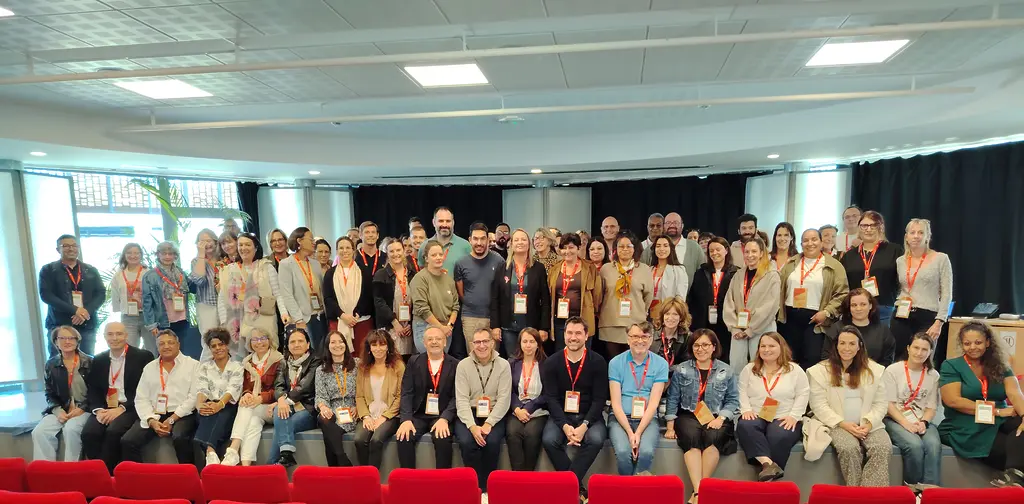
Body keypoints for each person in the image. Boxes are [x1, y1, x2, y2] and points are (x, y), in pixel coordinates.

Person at [938, 322, 1024, 487]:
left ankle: (1013, 478)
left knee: (1021, 425)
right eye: (967, 343)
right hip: (966, 423)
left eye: (978, 342)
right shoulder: (951, 366)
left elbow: (1015, 393)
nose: (972, 347)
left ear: (988, 343)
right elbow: (953, 400)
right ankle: (1014, 480)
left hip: (998, 420)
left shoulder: (1001, 364)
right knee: (1014, 448)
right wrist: (997, 411)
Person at [807, 325, 890, 487]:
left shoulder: (875, 370)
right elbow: (818, 406)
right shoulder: (819, 371)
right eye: (842, 343)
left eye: (852, 344)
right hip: (837, 424)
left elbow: (881, 403)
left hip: (868, 424)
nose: (846, 348)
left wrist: (868, 423)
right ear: (836, 345)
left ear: (860, 346)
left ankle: (870, 496)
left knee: (882, 447)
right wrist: (843, 424)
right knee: (848, 448)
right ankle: (855, 494)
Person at [665, 329, 739, 503]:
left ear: (714, 347)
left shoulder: (726, 370)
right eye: (696, 345)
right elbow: (673, 398)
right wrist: (670, 425)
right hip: (688, 415)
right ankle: (700, 492)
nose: (700, 349)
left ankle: (698, 493)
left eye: (705, 345)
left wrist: (721, 418)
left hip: (717, 416)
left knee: (713, 439)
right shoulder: (682, 369)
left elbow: (733, 400)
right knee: (692, 440)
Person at [541, 317, 608, 502]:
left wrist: (584, 426)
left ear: (586, 336)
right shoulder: (552, 362)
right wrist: (564, 426)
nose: (573, 337)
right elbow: (551, 399)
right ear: (564, 335)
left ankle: (566, 486)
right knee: (549, 439)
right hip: (562, 416)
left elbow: (599, 399)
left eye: (578, 333)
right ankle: (577, 488)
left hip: (589, 416)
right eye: (570, 333)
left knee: (595, 439)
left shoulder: (598, 362)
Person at [82, 322, 154, 473]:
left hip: (131, 406)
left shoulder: (143, 356)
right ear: (104, 337)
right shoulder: (99, 359)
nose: (115, 338)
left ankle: (110, 475)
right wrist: (98, 410)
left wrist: (121, 408)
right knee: (89, 433)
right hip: (106, 407)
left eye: (119, 334)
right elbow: (93, 389)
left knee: (113, 431)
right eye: (110, 334)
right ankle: (98, 472)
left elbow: (146, 389)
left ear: (126, 336)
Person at [736, 332, 808, 482]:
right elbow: (741, 390)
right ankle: (768, 465)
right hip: (756, 413)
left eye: (771, 346)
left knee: (778, 435)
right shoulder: (749, 369)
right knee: (745, 426)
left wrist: (794, 416)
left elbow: (803, 393)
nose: (766, 349)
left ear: (781, 348)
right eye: (763, 346)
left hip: (785, 415)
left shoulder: (795, 370)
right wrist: (746, 410)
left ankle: (768, 479)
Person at [122, 329, 199, 465]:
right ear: (157, 347)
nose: (166, 346)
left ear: (178, 344)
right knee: (128, 441)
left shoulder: (193, 365)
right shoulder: (149, 368)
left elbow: (193, 397)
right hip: (155, 414)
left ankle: (189, 477)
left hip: (182, 414)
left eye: (170, 342)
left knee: (180, 437)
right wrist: (151, 420)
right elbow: (141, 398)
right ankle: (138, 479)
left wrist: (171, 419)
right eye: (162, 344)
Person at [777, 229, 849, 370]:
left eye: (814, 239)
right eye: (805, 240)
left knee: (812, 360)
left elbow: (842, 294)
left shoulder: (834, 266)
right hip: (789, 319)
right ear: (800, 243)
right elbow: (779, 289)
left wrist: (827, 312)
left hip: (816, 320)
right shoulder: (791, 263)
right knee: (788, 360)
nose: (810, 243)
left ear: (821, 242)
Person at [455, 328, 512, 496]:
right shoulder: (463, 365)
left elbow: (504, 399)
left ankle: (487, 489)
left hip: (494, 414)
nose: (481, 346)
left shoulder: (503, 365)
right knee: (467, 442)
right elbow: (462, 400)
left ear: (492, 343)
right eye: (477, 342)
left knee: (492, 442)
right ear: (472, 344)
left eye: (485, 341)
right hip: (469, 414)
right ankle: (474, 487)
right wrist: (472, 427)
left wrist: (488, 423)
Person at [608, 322, 670, 476]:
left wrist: (639, 432)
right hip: (620, 418)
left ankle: (637, 493)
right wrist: (630, 433)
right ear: (628, 339)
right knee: (623, 453)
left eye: (644, 336)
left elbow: (654, 403)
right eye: (635, 336)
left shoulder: (661, 364)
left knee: (646, 452)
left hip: (648, 419)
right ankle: (627, 493)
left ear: (651, 340)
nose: (640, 341)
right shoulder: (615, 362)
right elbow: (615, 403)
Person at [882, 333, 942, 489]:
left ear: (930, 352)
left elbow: (931, 407)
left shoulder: (933, 375)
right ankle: (913, 492)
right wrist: (906, 424)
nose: (919, 353)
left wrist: (924, 422)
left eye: (924, 349)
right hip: (895, 419)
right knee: (914, 446)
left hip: (921, 420)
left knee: (933, 445)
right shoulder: (893, 370)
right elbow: (889, 404)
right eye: (916, 347)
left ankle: (930, 493)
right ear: (908, 348)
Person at [396, 327, 459, 469]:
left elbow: (457, 397)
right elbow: (407, 392)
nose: (434, 342)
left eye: (438, 339)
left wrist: (445, 418)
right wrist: (405, 419)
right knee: (404, 437)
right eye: (430, 339)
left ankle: (442, 484)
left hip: (442, 415)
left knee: (442, 438)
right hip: (418, 414)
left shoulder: (455, 364)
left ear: (445, 342)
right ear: (424, 343)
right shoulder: (414, 361)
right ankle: (409, 482)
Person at [221, 327, 283, 466]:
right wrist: (246, 395)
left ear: (269, 341)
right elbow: (246, 387)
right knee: (253, 422)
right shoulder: (247, 362)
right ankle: (245, 465)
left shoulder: (278, 360)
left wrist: (261, 398)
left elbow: (280, 389)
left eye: (263, 338)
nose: (259, 342)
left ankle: (233, 449)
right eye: (254, 339)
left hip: (272, 407)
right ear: (249, 343)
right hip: (254, 407)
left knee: (248, 409)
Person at [891, 219, 953, 353]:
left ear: (927, 237)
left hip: (928, 317)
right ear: (906, 237)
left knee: (923, 357)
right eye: (912, 232)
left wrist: (939, 321)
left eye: (921, 232)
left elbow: (947, 293)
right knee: (900, 358)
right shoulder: (900, 261)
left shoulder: (940, 259)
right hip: (902, 315)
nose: (916, 236)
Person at [32, 326, 93, 462]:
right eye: (62, 338)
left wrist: (82, 408)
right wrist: (57, 410)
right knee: (40, 432)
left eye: (71, 338)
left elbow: (96, 392)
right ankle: (45, 471)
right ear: (56, 342)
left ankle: (70, 471)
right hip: (62, 408)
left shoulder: (90, 362)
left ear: (78, 341)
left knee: (71, 429)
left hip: (84, 409)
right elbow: (49, 393)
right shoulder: (51, 364)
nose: (67, 341)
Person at [219, 232, 285, 355]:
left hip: (263, 319)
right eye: (241, 245)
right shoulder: (229, 270)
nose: (244, 248)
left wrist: (284, 314)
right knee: (240, 360)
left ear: (256, 247)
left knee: (266, 356)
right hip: (237, 321)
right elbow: (222, 299)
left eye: (248, 245)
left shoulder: (266, 267)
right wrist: (223, 322)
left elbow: (278, 294)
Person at [39, 235, 105, 356]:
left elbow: (101, 293)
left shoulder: (90, 270)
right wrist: (75, 310)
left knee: (87, 362)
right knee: (58, 362)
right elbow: (46, 295)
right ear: (58, 249)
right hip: (59, 324)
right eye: (66, 246)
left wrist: (85, 312)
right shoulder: (48, 270)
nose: (71, 249)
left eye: (74, 245)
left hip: (86, 324)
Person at [723, 236, 781, 374]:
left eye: (754, 251)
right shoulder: (738, 274)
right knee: (736, 367)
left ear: (762, 253)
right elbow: (729, 301)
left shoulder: (772, 275)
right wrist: (734, 328)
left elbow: (770, 306)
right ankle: (737, 395)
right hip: (738, 330)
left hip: (761, 328)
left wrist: (751, 329)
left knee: (763, 367)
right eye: (747, 252)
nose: (750, 255)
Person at [491, 229, 551, 357]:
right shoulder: (502, 268)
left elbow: (545, 300)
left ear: (529, 244)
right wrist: (495, 326)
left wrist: (544, 327)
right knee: (513, 361)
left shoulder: (538, 268)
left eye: (524, 239)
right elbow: (495, 299)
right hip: (508, 326)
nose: (520, 242)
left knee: (531, 359)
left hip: (532, 326)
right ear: (511, 244)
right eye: (516, 240)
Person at [268, 327, 321, 466]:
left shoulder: (316, 361)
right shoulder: (284, 362)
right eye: (292, 342)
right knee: (279, 413)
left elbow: (305, 387)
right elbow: (278, 385)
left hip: (308, 408)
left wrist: (283, 401)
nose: (296, 344)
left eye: (300, 341)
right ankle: (284, 456)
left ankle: (271, 464)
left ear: (308, 344)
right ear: (288, 345)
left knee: (284, 426)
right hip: (289, 405)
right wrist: (280, 400)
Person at [841, 210, 903, 324]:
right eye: (864, 225)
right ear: (859, 228)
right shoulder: (849, 256)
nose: (868, 229)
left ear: (881, 227)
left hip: (885, 309)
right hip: (856, 310)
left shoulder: (895, 250)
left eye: (873, 225)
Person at [354, 329, 405, 468]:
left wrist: (384, 417)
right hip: (369, 415)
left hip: (390, 416)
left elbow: (401, 396)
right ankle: (365, 476)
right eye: (374, 345)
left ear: (388, 346)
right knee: (359, 440)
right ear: (369, 348)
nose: (378, 348)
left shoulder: (398, 366)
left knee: (376, 440)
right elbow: (359, 396)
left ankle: (373, 477)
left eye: (382, 344)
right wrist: (365, 417)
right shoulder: (363, 367)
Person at [193, 328, 244, 467]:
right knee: (205, 413)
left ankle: (209, 450)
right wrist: (200, 405)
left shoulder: (237, 366)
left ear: (227, 345)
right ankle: (211, 453)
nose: (217, 348)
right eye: (213, 346)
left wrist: (219, 404)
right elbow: (202, 388)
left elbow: (233, 389)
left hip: (228, 405)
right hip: (210, 404)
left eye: (220, 344)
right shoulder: (205, 367)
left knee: (221, 415)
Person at [599, 233, 654, 358]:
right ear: (615, 249)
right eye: (621, 246)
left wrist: (640, 311)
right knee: (613, 362)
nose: (625, 249)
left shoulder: (644, 269)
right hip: (611, 323)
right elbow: (600, 295)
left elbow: (648, 296)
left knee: (633, 362)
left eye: (628, 246)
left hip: (635, 323)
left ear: (635, 249)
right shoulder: (606, 269)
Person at [688, 236, 739, 362]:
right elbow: (693, 298)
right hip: (703, 321)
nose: (714, 253)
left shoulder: (736, 273)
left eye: (718, 249)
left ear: (726, 250)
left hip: (726, 322)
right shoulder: (701, 272)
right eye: (711, 251)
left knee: (724, 354)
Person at [455, 223, 504, 352]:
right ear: (470, 240)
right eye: (475, 239)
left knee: (493, 357)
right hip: (470, 317)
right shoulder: (461, 263)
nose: (479, 242)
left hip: (493, 319)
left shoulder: (498, 261)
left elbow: (502, 290)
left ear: (488, 240)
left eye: (483, 238)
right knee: (473, 357)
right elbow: (461, 291)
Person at [548, 233, 602, 351]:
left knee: (583, 357)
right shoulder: (554, 269)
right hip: (560, 322)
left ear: (578, 248)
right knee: (562, 357)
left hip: (583, 320)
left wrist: (593, 310)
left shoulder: (590, 268)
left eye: (571, 247)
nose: (568, 251)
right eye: (564, 248)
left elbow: (597, 295)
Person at [314, 330, 359, 467]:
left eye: (341, 341)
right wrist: (323, 407)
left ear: (346, 344)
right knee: (324, 418)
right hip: (332, 409)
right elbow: (320, 395)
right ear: (327, 346)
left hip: (352, 409)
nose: (337, 345)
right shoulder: (321, 370)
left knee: (328, 435)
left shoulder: (357, 364)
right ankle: (342, 457)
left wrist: (358, 406)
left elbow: (365, 390)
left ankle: (336, 468)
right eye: (333, 342)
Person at [278, 227, 327, 350]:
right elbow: (286, 294)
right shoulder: (286, 264)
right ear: (299, 241)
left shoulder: (315, 263)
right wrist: (298, 319)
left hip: (321, 314)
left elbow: (322, 290)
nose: (313, 242)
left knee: (323, 352)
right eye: (310, 239)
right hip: (303, 318)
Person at [507, 328, 548, 471]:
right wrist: (517, 408)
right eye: (525, 341)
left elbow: (548, 393)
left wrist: (529, 407)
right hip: (516, 410)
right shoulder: (511, 363)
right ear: (520, 343)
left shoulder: (546, 364)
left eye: (532, 341)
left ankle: (528, 476)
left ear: (538, 344)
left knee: (531, 434)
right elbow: (507, 391)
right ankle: (517, 478)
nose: (528, 345)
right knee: (513, 433)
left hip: (538, 410)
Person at [142, 241, 196, 350]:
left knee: (180, 350)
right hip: (163, 321)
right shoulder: (150, 275)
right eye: (164, 253)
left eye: (170, 254)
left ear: (175, 256)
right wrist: (151, 324)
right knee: (164, 351)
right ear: (158, 255)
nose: (167, 257)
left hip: (182, 319)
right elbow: (147, 302)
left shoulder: (180, 272)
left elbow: (193, 288)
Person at [324, 236, 372, 353]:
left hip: (360, 321)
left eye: (347, 248)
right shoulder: (330, 273)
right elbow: (328, 298)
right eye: (341, 248)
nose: (344, 251)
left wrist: (356, 315)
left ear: (353, 250)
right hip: (339, 320)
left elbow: (368, 296)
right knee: (340, 354)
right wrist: (343, 315)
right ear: (337, 251)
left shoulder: (364, 271)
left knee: (362, 356)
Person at [411, 240, 460, 353]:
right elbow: (422, 309)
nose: (438, 257)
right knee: (428, 363)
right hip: (425, 326)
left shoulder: (448, 279)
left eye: (440, 254)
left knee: (441, 364)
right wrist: (440, 328)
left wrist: (449, 326)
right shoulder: (420, 279)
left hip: (447, 328)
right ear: (426, 258)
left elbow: (455, 306)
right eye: (434, 255)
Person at [826, 288, 896, 366]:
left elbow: (887, 360)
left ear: (870, 306)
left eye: (863, 304)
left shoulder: (883, 331)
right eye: (854, 305)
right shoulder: (836, 329)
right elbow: (827, 358)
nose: (858, 309)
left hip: (874, 375)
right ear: (849, 307)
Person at [374, 238, 417, 357]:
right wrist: (395, 323)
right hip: (390, 326)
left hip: (409, 328)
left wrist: (411, 324)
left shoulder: (412, 274)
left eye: (398, 250)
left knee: (408, 361)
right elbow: (379, 302)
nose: (396, 254)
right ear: (387, 253)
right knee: (391, 360)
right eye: (391, 251)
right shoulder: (381, 275)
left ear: (403, 251)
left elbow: (418, 301)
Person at [641, 213, 705, 289]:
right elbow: (642, 275)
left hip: (688, 299)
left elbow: (703, 276)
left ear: (682, 225)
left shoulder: (695, 248)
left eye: (676, 222)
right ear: (663, 226)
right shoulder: (651, 248)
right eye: (668, 223)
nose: (672, 225)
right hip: (656, 298)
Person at [110, 243, 151, 353]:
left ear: (141, 255)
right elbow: (115, 295)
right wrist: (119, 309)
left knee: (151, 349)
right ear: (124, 255)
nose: (133, 256)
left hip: (148, 316)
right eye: (129, 253)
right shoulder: (119, 275)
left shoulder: (148, 273)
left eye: (136, 253)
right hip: (128, 317)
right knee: (130, 350)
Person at [190, 228, 223, 362]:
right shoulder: (196, 261)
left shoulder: (224, 259)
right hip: (206, 305)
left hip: (225, 304)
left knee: (227, 341)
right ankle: (203, 374)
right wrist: (201, 254)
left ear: (216, 242)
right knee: (210, 342)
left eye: (209, 240)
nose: (206, 244)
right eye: (202, 241)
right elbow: (199, 280)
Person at [417, 206, 472, 272]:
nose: (444, 225)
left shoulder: (465, 246)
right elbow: (421, 272)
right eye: (441, 221)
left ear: (453, 223)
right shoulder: (424, 246)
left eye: (448, 221)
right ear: (434, 222)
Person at [354, 222, 385, 337]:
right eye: (367, 232)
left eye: (373, 232)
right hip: (361, 311)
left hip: (382, 310)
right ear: (360, 235)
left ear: (377, 236)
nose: (370, 235)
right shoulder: (354, 258)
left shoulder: (386, 257)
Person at [648, 235, 689, 311]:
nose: (661, 249)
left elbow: (680, 297)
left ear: (671, 248)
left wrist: (672, 311)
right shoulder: (649, 270)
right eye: (658, 246)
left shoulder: (679, 270)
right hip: (649, 312)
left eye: (665, 246)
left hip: (669, 313)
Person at [649, 297, 691, 368]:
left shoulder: (687, 337)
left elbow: (686, 364)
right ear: (662, 316)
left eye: (675, 314)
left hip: (676, 376)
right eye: (667, 314)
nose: (670, 318)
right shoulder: (651, 333)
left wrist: (668, 370)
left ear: (681, 317)